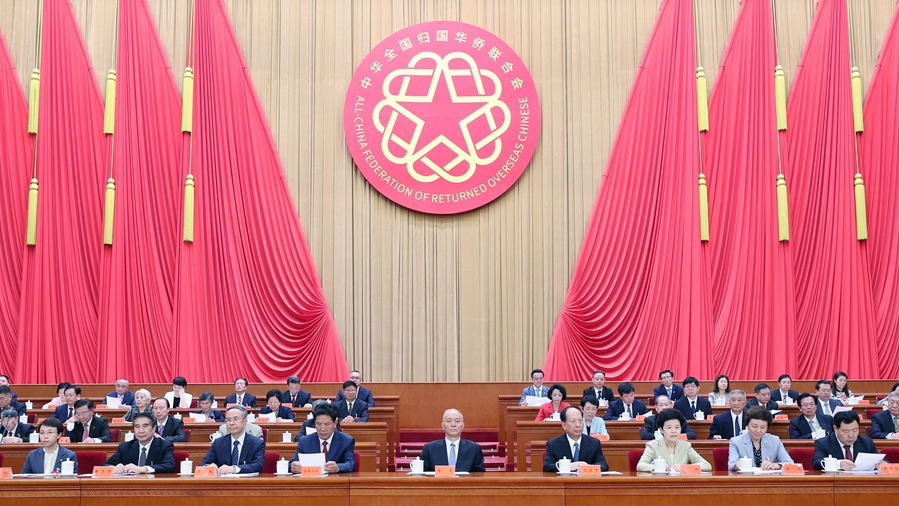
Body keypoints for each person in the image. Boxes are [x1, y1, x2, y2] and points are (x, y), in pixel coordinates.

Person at [636, 408, 710, 472]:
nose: (673, 431)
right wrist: (657, 467)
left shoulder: (686, 446)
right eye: (669, 427)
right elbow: (641, 465)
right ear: (661, 430)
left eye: (677, 427)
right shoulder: (653, 446)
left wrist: (683, 467)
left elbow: (706, 465)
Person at [290, 403, 356, 474]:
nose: (322, 429)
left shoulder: (346, 441)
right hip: (311, 482)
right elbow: (292, 463)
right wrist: (293, 467)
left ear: (335, 423)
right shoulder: (304, 441)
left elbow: (351, 464)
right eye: (318, 424)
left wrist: (337, 467)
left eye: (327, 424)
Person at [200, 405, 266, 474]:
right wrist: (208, 467)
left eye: (235, 419)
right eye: (228, 420)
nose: (231, 423)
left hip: (247, 483)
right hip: (223, 483)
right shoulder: (218, 443)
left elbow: (258, 466)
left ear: (245, 421)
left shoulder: (257, 443)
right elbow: (202, 465)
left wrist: (235, 468)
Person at [102, 413, 176, 474]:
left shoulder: (165, 445)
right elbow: (104, 465)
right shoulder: (125, 447)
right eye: (137, 427)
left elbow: (169, 466)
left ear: (154, 428)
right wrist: (114, 468)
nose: (141, 431)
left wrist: (143, 469)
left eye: (145, 426)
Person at [543, 406, 609, 472]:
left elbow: (604, 465)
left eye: (580, 420)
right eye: (573, 421)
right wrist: (568, 466)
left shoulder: (594, 443)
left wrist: (588, 468)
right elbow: (547, 467)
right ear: (564, 425)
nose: (578, 425)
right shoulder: (553, 444)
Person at [420, 408, 486, 472]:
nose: (453, 424)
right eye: (449, 421)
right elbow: (422, 475)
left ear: (462, 425)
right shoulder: (430, 449)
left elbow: (480, 475)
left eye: (457, 421)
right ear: (442, 425)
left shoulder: (474, 449)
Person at [728, 407, 793, 471]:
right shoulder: (736, 441)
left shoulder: (775, 440)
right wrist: (738, 465)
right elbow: (731, 465)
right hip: (746, 479)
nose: (758, 431)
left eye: (763, 427)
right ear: (747, 425)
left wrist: (775, 465)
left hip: (768, 479)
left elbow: (790, 463)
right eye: (754, 426)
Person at [812, 410, 880, 471]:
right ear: (835, 429)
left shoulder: (867, 442)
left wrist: (882, 464)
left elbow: (879, 459)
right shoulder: (823, 443)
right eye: (846, 431)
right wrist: (839, 464)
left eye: (855, 430)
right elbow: (817, 463)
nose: (851, 435)